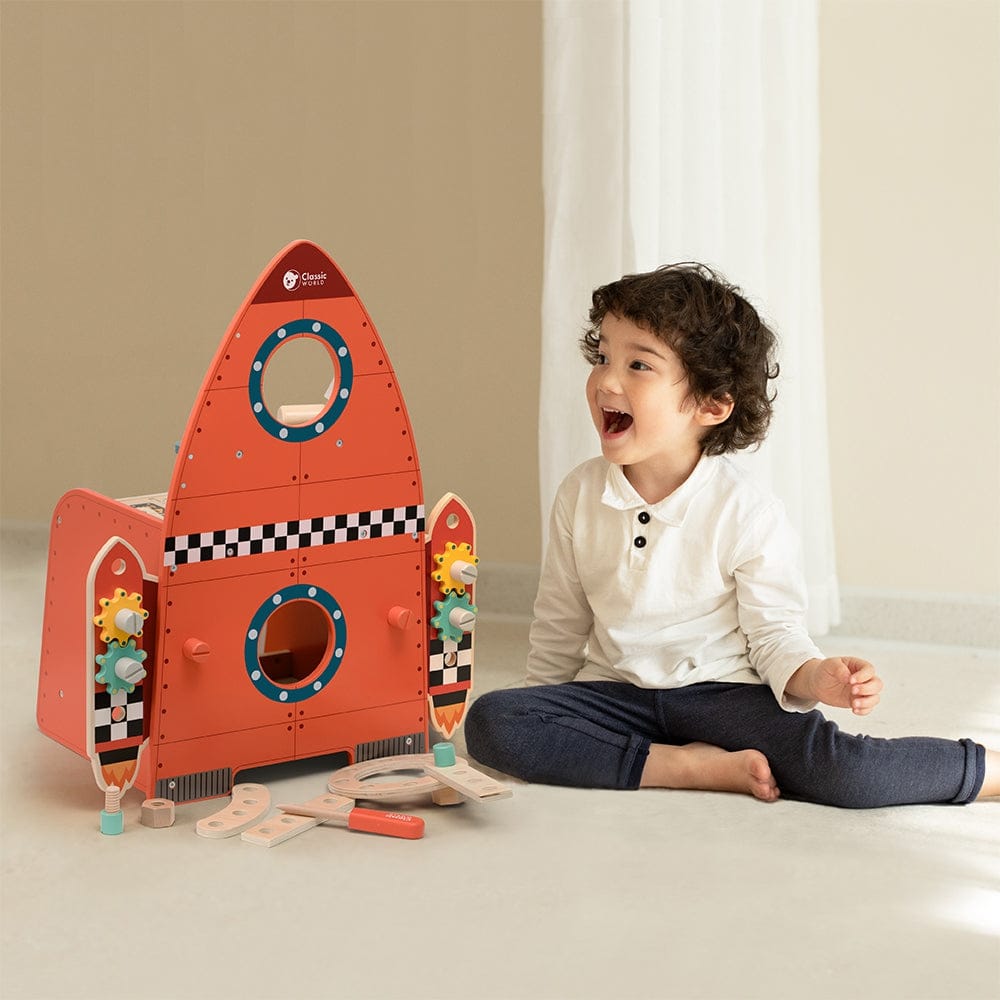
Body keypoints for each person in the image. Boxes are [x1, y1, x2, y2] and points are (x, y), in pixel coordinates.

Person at [465, 263, 997, 807]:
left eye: (638, 364)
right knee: (493, 721)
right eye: (602, 357)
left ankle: (986, 771)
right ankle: (683, 766)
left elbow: (774, 635)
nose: (606, 381)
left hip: (723, 696)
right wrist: (541, 710)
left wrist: (814, 677)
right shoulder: (579, 493)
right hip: (615, 695)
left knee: (846, 773)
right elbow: (560, 621)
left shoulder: (747, 510)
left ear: (712, 405)